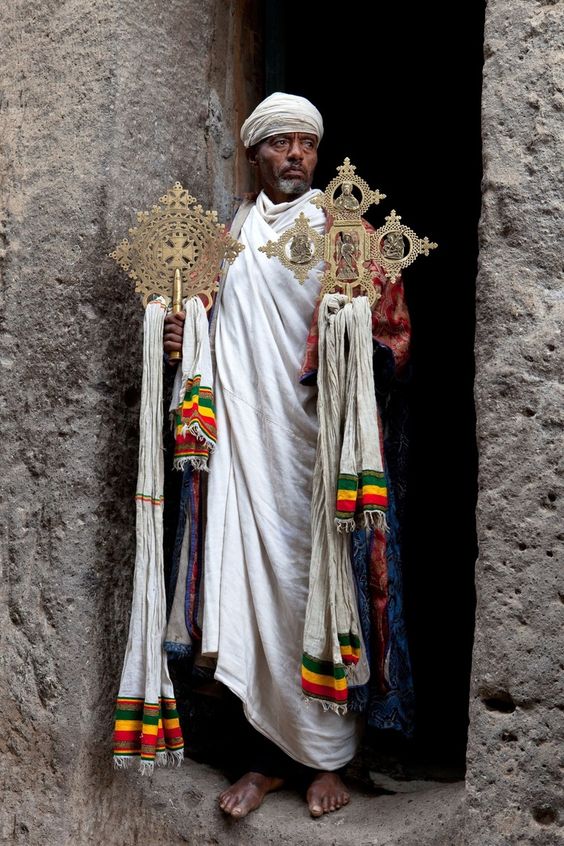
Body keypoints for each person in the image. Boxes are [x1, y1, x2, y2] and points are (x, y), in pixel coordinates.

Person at [163, 92, 413, 820]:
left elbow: (396, 341)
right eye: (280, 144)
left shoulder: (348, 235)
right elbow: (200, 332)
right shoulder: (225, 238)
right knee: (250, 592)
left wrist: (356, 339)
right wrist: (182, 345)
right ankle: (268, 760)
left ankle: (333, 758)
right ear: (254, 153)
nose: (295, 155)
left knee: (322, 592)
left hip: (318, 452)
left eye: (306, 143)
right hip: (245, 453)